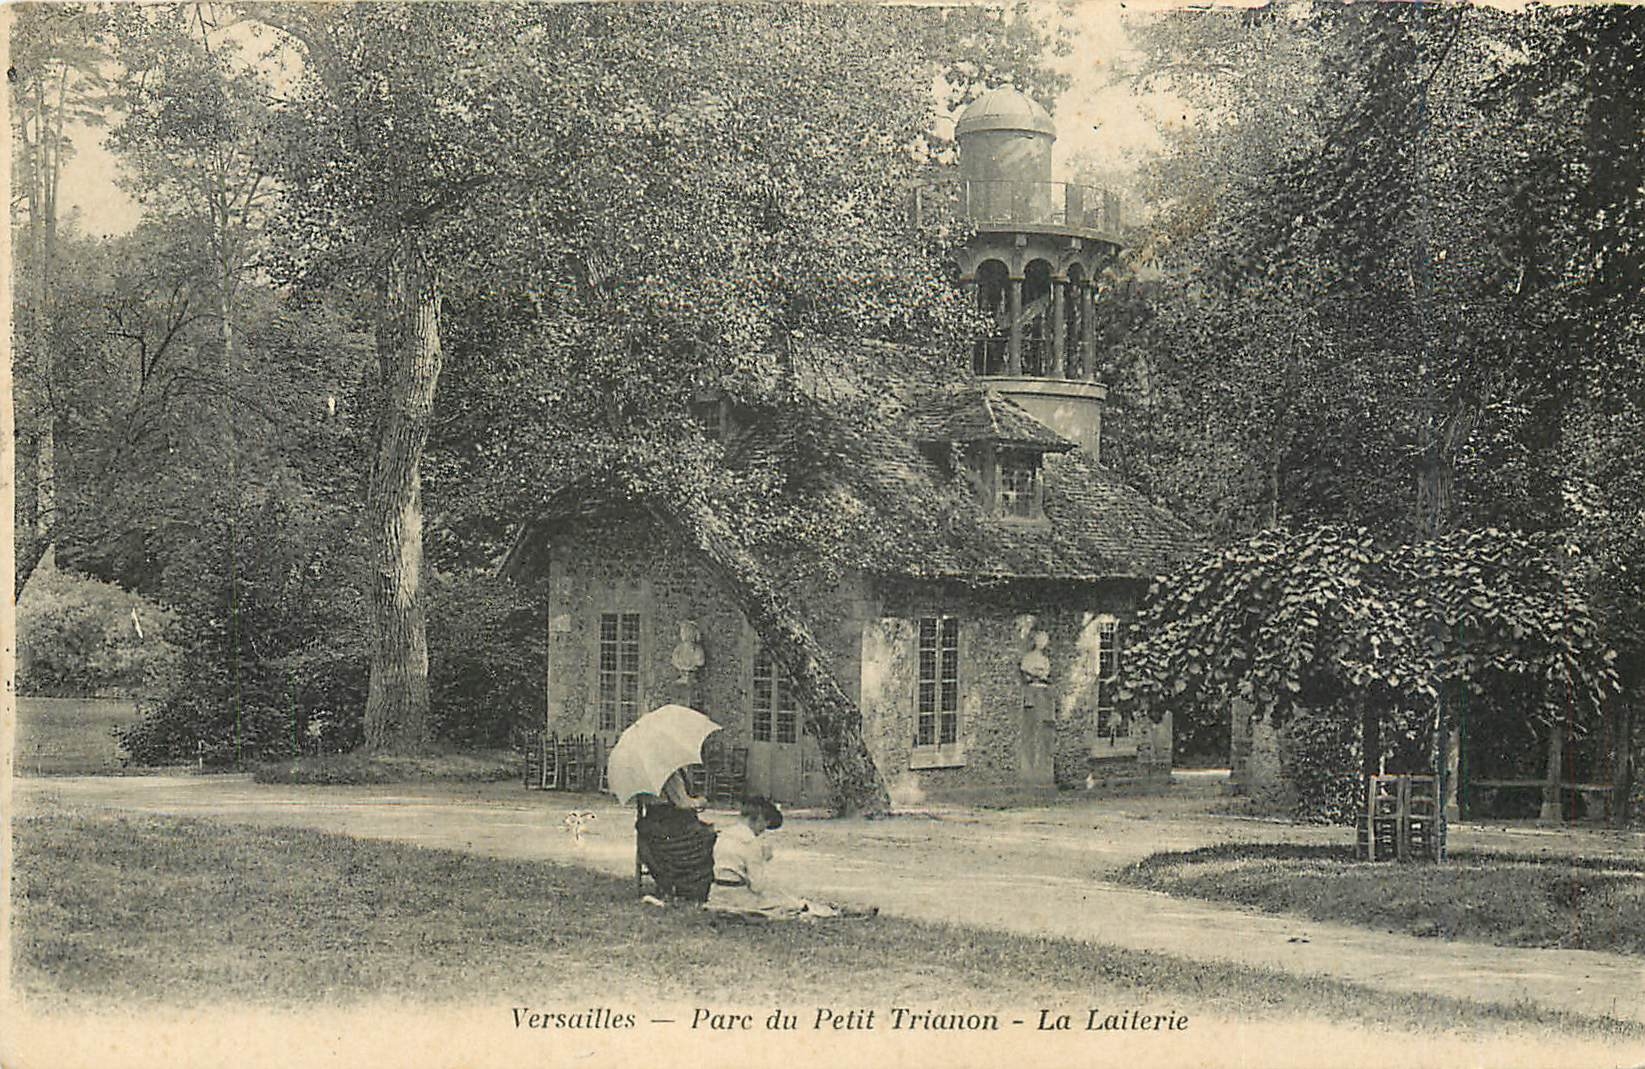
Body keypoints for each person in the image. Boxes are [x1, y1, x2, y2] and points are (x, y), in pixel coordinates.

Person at [706, 797, 872, 920]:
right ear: (760, 819)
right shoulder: (751, 843)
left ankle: (831, 909)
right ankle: (837, 912)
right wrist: (763, 858)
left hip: (718, 894)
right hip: (740, 898)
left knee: (785, 898)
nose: (763, 830)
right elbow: (758, 886)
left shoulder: (724, 836)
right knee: (792, 904)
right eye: (765, 825)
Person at [635, 769, 714, 903]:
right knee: (707, 837)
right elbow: (682, 803)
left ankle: (677, 883)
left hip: (653, 823)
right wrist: (701, 801)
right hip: (671, 825)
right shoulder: (669, 773)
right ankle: (689, 886)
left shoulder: (644, 773)